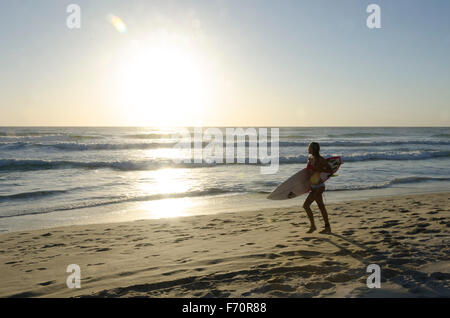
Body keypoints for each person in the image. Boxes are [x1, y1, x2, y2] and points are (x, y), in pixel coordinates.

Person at [303, 142, 333, 234]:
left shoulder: (320, 159)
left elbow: (330, 170)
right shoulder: (310, 158)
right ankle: (327, 227)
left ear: (314, 149)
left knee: (306, 205)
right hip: (313, 186)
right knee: (321, 207)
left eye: (309, 147)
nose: (308, 149)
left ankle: (313, 226)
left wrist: (320, 170)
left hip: (318, 187)